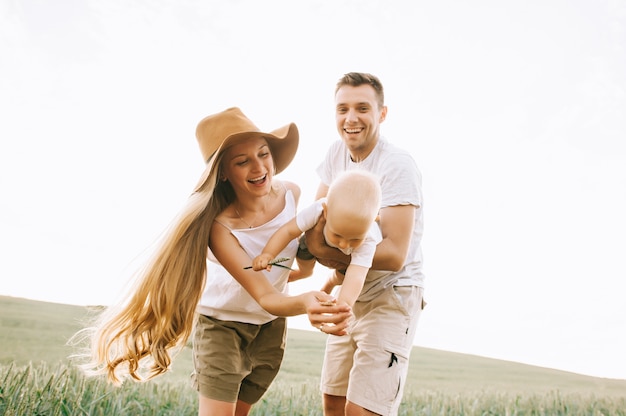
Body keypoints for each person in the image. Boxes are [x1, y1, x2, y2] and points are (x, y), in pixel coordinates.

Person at [76, 107, 352, 416]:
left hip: (270, 328)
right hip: (223, 327)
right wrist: (305, 303)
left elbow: (286, 273)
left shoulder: (291, 194)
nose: (259, 167)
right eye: (242, 161)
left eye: (263, 154)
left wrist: (325, 277)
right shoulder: (221, 229)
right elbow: (264, 294)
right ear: (223, 172)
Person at [304, 72, 426, 416]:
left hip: (391, 294)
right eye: (342, 109)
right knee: (333, 402)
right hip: (350, 293)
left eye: (362, 108)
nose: (351, 118)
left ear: (381, 114)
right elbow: (314, 227)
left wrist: (332, 253)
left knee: (361, 410)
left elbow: (394, 254)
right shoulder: (335, 155)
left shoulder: (396, 165)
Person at [251, 169, 382, 310]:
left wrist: (344, 304)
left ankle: (330, 283)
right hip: (316, 245)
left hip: (348, 260)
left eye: (355, 239)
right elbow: (288, 231)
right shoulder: (318, 209)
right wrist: (268, 253)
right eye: (337, 234)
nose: (344, 244)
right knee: (302, 246)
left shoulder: (369, 238)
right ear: (326, 211)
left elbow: (356, 275)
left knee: (344, 276)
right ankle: (305, 272)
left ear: (372, 222)